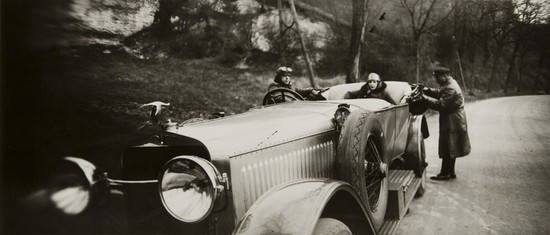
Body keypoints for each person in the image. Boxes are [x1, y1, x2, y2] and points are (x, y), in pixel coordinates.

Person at [422, 64, 471, 180]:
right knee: (450, 146)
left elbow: (441, 105)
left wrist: (424, 98)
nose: (436, 80)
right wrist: (427, 90)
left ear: (444, 76)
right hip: (453, 119)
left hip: (453, 120)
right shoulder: (449, 83)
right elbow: (440, 92)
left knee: (449, 146)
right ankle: (449, 172)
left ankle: (445, 174)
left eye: (437, 77)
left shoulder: (450, 87)